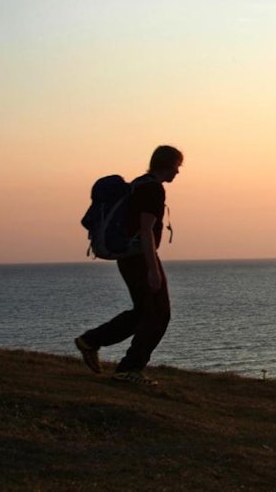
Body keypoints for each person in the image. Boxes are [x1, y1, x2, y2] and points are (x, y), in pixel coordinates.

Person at [75, 145, 182, 384]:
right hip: (140, 258)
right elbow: (145, 231)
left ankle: (91, 341)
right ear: (168, 164)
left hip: (129, 257)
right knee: (159, 314)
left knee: (144, 311)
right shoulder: (153, 189)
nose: (178, 172)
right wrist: (153, 269)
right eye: (177, 166)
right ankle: (129, 368)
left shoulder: (139, 184)